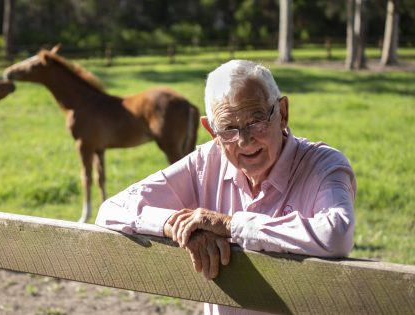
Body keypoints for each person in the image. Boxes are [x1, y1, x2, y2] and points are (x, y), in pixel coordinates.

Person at [95, 60, 356, 315]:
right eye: (229, 128)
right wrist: (179, 226)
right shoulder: (205, 162)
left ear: (283, 113)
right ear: (212, 131)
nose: (244, 140)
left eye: (256, 120)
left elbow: (336, 234)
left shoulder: (323, 165)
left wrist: (232, 225)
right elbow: (113, 209)